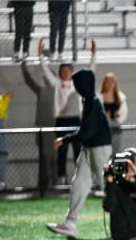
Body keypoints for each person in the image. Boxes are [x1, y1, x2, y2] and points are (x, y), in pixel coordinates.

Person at [46, 68, 113, 238]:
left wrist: (64, 139)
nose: (75, 87)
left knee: (109, 186)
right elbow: (86, 132)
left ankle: (121, 224)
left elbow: (86, 132)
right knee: (79, 184)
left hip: (99, 148)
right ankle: (70, 224)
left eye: (77, 84)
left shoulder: (93, 103)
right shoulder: (89, 100)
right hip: (89, 148)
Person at [39, 38, 96, 185]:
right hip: (61, 120)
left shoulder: (77, 83)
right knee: (62, 151)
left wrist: (93, 55)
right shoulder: (57, 84)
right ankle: (61, 177)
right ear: (60, 73)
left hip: (76, 119)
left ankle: (79, 177)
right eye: (62, 71)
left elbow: (91, 71)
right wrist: (40, 56)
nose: (65, 73)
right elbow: (45, 71)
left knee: (78, 150)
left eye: (68, 70)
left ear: (71, 72)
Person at [21, 61, 57, 188]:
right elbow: (29, 81)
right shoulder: (42, 91)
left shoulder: (59, 92)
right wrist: (24, 67)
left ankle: (56, 184)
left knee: (55, 159)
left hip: (55, 130)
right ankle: (44, 184)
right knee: (44, 159)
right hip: (43, 130)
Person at [100, 72, 128, 152]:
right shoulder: (99, 97)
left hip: (116, 126)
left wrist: (118, 116)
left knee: (116, 150)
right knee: (103, 150)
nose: (110, 83)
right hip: (103, 127)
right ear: (104, 83)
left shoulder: (121, 97)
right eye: (107, 81)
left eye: (112, 81)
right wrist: (104, 117)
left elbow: (124, 113)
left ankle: (115, 164)